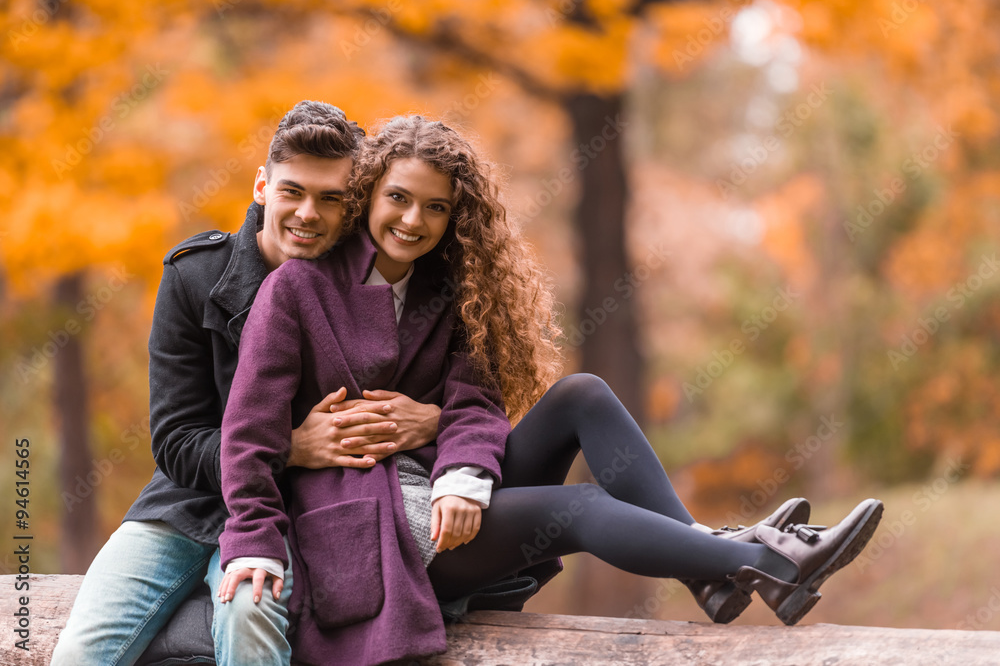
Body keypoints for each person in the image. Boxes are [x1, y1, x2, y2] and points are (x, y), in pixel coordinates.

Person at [217, 115, 884, 666]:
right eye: (398, 198)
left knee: (582, 393)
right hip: (370, 529)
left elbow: (475, 405)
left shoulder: (449, 292)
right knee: (582, 507)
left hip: (445, 497)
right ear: (368, 193)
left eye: (437, 207)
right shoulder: (297, 290)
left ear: (458, 216)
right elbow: (247, 435)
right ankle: (768, 560)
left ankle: (709, 570)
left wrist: (461, 474)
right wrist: (252, 540)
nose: (413, 220)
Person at [50, 101, 445, 666]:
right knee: (81, 653)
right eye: (293, 191)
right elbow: (175, 440)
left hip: (293, 513)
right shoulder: (194, 276)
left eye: (331, 198)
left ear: (352, 206)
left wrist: (435, 418)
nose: (308, 213)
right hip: (185, 508)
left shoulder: (373, 281)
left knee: (249, 614)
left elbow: (444, 392)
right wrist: (292, 447)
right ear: (262, 185)